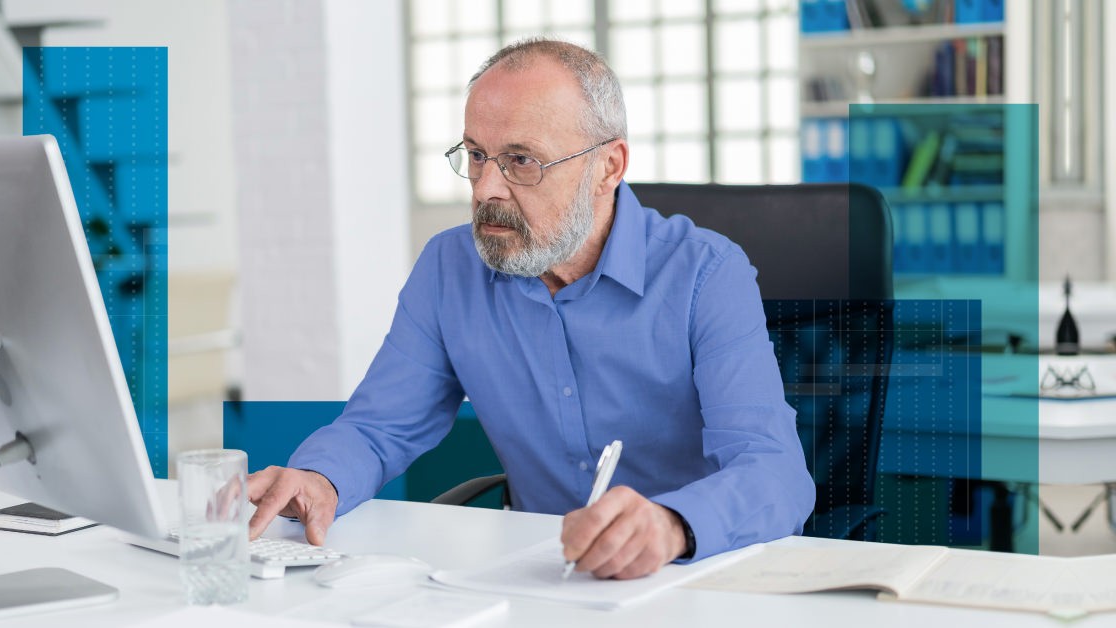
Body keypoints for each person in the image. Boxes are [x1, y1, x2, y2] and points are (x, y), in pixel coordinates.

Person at [247, 38, 814, 580]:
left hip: (692, 577)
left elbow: (774, 471)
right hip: (532, 576)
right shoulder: (450, 268)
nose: (484, 189)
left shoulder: (706, 273)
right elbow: (377, 428)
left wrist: (672, 526)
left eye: (521, 160)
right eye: (475, 156)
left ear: (609, 168)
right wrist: (319, 479)